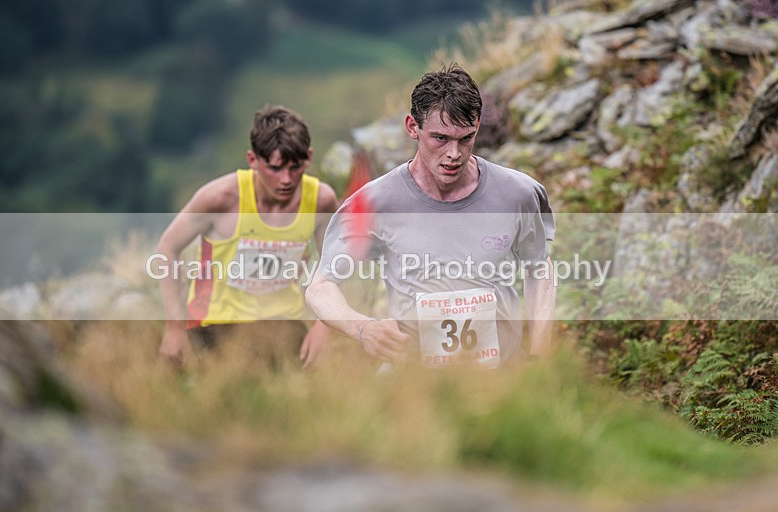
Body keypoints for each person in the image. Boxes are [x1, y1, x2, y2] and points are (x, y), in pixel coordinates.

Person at [305, 64, 556, 369]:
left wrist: (540, 357)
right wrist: (363, 329)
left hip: (503, 378)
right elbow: (320, 287)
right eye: (440, 138)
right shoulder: (374, 202)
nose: (454, 153)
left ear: (477, 126)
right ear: (413, 127)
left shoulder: (518, 193)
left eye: (466, 138)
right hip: (416, 384)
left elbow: (539, 268)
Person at [156, 105, 338, 369]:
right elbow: (168, 247)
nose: (286, 180)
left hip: (283, 328)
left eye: (295, 167)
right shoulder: (220, 198)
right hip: (214, 326)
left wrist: (323, 325)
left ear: (308, 158)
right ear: (253, 160)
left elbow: (332, 265)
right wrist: (174, 327)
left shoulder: (321, 200)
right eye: (275, 168)